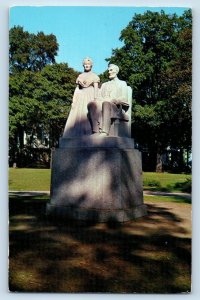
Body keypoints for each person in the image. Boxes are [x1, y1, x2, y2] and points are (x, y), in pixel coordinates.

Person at [87, 64, 129, 136]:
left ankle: (105, 131)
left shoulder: (122, 83)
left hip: (116, 107)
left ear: (116, 71)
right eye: (108, 70)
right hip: (103, 104)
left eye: (111, 70)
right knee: (91, 104)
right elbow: (99, 96)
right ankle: (95, 131)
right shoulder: (104, 85)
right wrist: (97, 101)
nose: (109, 72)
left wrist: (114, 100)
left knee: (106, 103)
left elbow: (124, 99)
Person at [63, 57, 100, 137]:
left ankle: (90, 133)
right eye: (85, 64)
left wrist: (96, 99)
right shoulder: (80, 76)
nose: (87, 66)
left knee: (88, 114)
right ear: (83, 65)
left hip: (90, 94)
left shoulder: (94, 76)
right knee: (79, 115)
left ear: (91, 66)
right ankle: (77, 134)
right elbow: (77, 89)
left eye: (88, 64)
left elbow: (96, 88)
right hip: (81, 95)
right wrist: (74, 100)